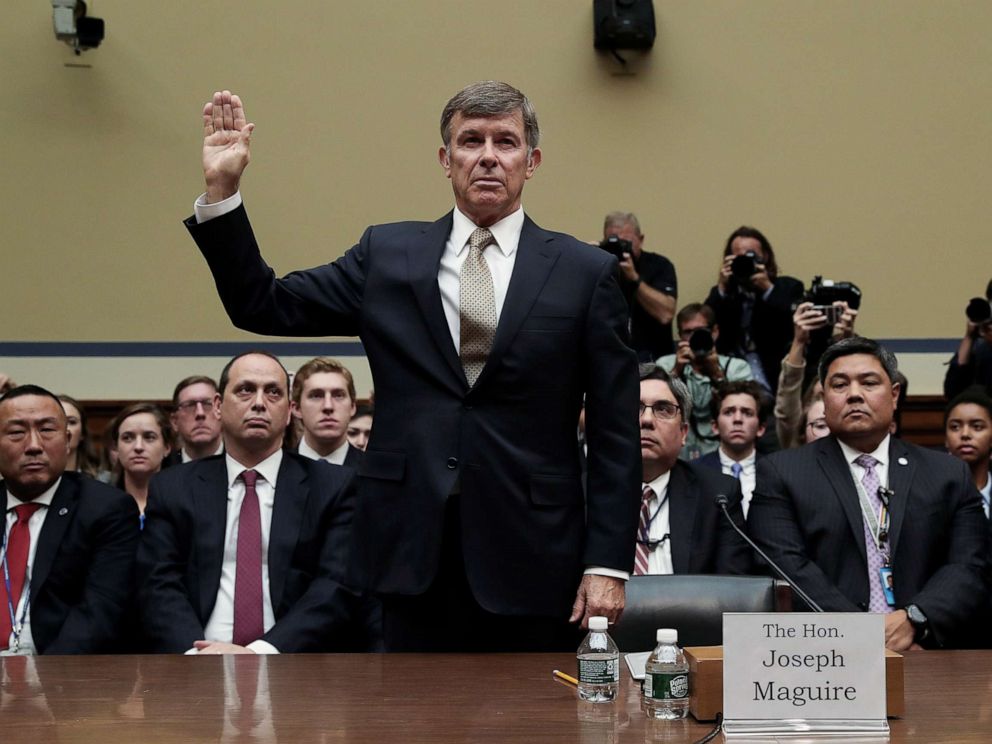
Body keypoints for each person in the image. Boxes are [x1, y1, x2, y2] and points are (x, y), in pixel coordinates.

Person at [184, 82, 640, 651]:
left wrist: (608, 562)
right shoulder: (387, 255)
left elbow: (616, 431)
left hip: (536, 553)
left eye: (507, 142)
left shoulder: (583, 272)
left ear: (533, 161)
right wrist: (223, 192)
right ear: (446, 160)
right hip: (409, 551)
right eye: (470, 141)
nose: (489, 156)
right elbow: (262, 303)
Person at [748, 337, 989, 650]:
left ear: (894, 395)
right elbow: (785, 567)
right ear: (824, 396)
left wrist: (916, 619)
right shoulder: (782, 473)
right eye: (839, 385)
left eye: (869, 382)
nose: (854, 395)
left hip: (926, 650)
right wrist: (862, 635)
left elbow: (968, 565)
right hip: (824, 656)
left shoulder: (946, 473)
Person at [136, 351, 363, 654]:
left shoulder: (333, 486)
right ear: (218, 405)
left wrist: (259, 653)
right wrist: (197, 656)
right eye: (245, 390)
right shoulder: (174, 487)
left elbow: (334, 587)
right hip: (195, 663)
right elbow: (158, 583)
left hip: (294, 666)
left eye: (273, 392)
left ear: (289, 410)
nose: (259, 402)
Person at [0, 385, 139, 654]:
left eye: (47, 430)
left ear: (67, 440)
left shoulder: (105, 508)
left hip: (58, 676)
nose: (34, 446)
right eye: (17, 432)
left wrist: (40, 680)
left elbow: (100, 612)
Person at [634, 366, 751, 576]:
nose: (647, 420)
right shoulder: (584, 492)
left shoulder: (718, 495)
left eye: (663, 409)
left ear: (684, 433)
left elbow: (733, 589)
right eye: (634, 407)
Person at [704, 226, 804, 394]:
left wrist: (767, 289)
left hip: (776, 378)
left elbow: (795, 324)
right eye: (738, 257)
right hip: (731, 380)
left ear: (765, 257)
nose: (745, 261)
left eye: (751, 256)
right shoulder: (724, 295)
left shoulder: (788, 288)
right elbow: (704, 325)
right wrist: (722, 288)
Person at [657, 303, 752, 459]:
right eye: (688, 332)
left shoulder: (737, 368)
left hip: (723, 454)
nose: (695, 337)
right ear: (680, 335)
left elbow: (745, 409)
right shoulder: (666, 365)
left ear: (714, 332)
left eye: (700, 331)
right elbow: (656, 406)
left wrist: (717, 374)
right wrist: (676, 372)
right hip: (678, 453)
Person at [775, 301, 858, 449]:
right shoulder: (795, 438)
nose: (828, 434)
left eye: (838, 387)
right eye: (820, 426)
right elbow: (789, 390)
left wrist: (848, 337)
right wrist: (799, 341)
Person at [602, 211, 677, 360]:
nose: (620, 248)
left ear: (640, 239)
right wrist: (587, 257)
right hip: (610, 358)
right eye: (614, 242)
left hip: (654, 358)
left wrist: (634, 278)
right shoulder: (600, 265)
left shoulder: (660, 265)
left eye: (625, 242)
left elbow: (666, 314)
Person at [695, 380, 768, 517]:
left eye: (747, 413)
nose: (738, 419)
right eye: (729, 412)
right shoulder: (695, 473)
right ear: (715, 426)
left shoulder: (775, 472)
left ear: (761, 429)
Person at [290, 357, 362, 468]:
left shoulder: (375, 470)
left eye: (338, 395)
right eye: (316, 396)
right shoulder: (276, 470)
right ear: (297, 408)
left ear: (352, 407)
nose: (328, 406)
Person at [109, 403, 174, 522]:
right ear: (116, 448)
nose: (138, 447)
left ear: (167, 447)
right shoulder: (100, 505)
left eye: (149, 437)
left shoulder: (183, 506)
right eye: (127, 438)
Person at [944, 388, 992, 517]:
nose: (965, 434)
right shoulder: (929, 496)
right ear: (946, 440)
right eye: (955, 427)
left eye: (977, 427)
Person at [164, 376, 224, 467]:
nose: (200, 413)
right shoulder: (162, 470)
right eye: (190, 406)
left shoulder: (241, 462)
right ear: (175, 422)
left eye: (207, 404)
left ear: (221, 412)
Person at [58, 394, 102, 478]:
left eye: (71, 422)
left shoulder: (104, 481)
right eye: (56, 422)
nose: (65, 429)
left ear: (83, 433)